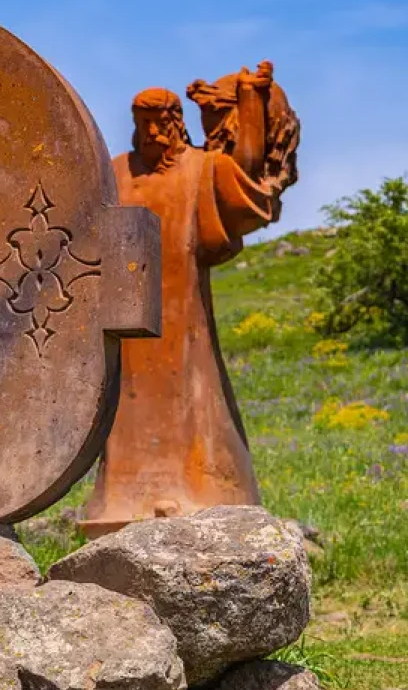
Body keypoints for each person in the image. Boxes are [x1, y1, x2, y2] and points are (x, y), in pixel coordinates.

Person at [82, 67, 294, 534]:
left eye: (161, 123)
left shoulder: (202, 167)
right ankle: (123, 499)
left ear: (178, 122)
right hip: (128, 322)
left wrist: (251, 102)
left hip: (185, 319)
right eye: (143, 125)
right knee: (127, 402)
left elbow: (250, 177)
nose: (153, 133)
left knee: (195, 399)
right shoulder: (115, 173)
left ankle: (210, 492)